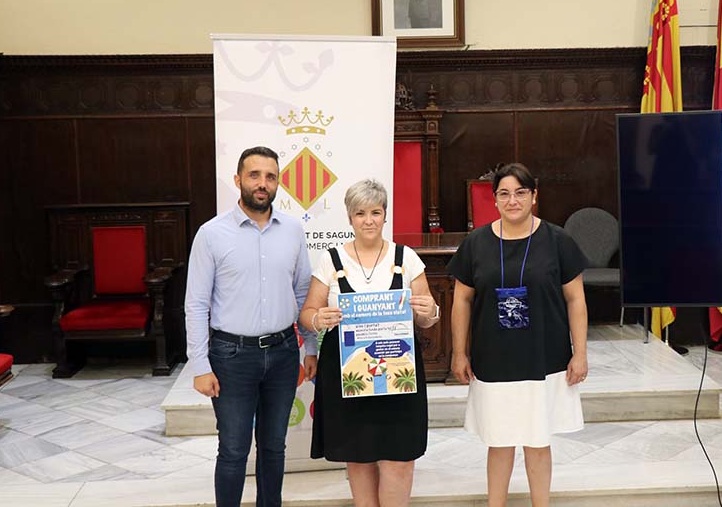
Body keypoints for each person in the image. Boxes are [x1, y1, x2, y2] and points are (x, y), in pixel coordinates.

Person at [448, 163, 589, 507]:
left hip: (544, 355)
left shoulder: (557, 240)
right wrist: (459, 352)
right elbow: (462, 300)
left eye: (520, 192)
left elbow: (576, 299)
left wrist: (580, 352)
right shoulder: (477, 243)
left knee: (538, 441)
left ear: (534, 196)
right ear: (494, 199)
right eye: (504, 194)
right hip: (494, 356)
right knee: (499, 441)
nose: (513, 201)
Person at [185, 146, 317, 507]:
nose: (262, 184)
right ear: (238, 180)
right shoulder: (210, 234)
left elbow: (303, 292)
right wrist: (200, 366)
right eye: (255, 175)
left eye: (270, 177)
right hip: (231, 356)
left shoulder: (292, 230)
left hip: (283, 353)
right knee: (233, 449)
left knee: (274, 447)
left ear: (278, 183)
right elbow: (195, 304)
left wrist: (310, 347)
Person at [299, 178, 439, 507]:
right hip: (349, 374)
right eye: (360, 213)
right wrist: (319, 320)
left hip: (398, 374)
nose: (369, 220)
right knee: (358, 457)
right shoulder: (331, 260)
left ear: (385, 215)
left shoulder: (406, 258)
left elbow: (430, 313)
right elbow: (307, 312)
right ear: (349, 217)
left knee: (400, 459)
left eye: (375, 212)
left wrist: (428, 311)